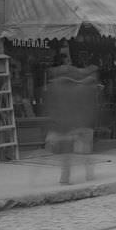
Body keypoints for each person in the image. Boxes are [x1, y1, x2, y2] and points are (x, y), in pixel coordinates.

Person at [45, 51, 99, 185]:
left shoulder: (57, 86)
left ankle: (66, 177)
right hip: (79, 122)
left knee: (67, 152)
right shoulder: (81, 87)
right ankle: (88, 174)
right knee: (84, 150)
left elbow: (53, 106)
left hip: (65, 124)